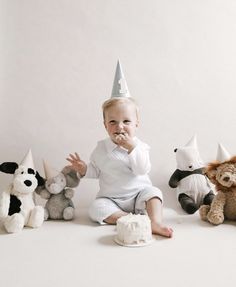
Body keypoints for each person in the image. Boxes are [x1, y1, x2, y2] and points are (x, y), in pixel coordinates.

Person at [67, 61, 173, 238]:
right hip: (112, 199)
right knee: (95, 208)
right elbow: (96, 170)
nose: (120, 127)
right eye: (113, 122)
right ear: (105, 125)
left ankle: (155, 222)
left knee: (154, 193)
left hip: (139, 195)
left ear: (137, 123)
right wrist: (85, 169)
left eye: (126, 121)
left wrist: (131, 148)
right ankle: (129, 219)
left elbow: (142, 169)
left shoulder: (141, 147)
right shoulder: (101, 148)